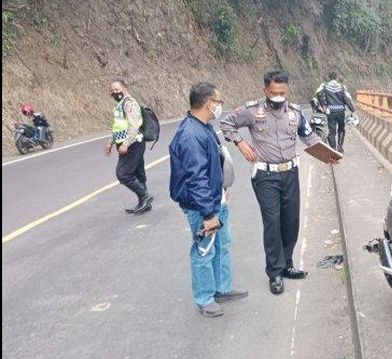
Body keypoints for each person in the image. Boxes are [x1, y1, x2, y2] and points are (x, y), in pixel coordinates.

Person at [221, 69, 338, 295]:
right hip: (266, 176)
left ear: (287, 90)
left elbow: (308, 136)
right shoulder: (253, 111)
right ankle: (274, 272)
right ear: (265, 90)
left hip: (290, 174)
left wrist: (328, 155)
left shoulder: (294, 113)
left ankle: (287, 264)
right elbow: (227, 123)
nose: (278, 96)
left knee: (291, 221)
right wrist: (240, 143)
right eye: (274, 92)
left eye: (282, 92)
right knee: (272, 222)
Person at [169, 81, 248, 317]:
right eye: (218, 102)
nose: (220, 106)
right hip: (202, 207)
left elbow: (213, 166)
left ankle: (221, 288)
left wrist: (222, 190)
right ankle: (204, 298)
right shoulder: (191, 136)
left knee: (222, 245)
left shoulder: (204, 128)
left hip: (215, 200)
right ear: (207, 103)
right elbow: (195, 178)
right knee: (204, 250)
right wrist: (208, 214)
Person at [105, 79, 153, 215]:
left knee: (123, 174)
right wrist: (111, 142)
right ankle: (144, 203)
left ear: (125, 88)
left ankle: (145, 197)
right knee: (138, 173)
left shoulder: (129, 103)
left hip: (133, 144)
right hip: (128, 143)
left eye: (117, 89)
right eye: (112, 90)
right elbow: (118, 127)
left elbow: (134, 126)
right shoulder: (120, 105)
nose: (114, 92)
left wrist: (125, 144)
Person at [314, 70, 356, 152]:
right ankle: (339, 147)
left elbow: (318, 93)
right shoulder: (342, 86)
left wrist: (323, 105)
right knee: (341, 129)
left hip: (330, 111)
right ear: (337, 78)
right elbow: (347, 99)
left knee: (331, 130)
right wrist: (352, 110)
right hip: (340, 111)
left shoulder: (325, 85)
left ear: (329, 78)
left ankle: (333, 147)